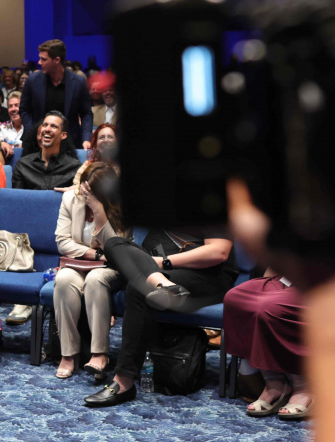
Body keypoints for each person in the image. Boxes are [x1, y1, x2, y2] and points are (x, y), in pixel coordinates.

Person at [84, 228, 238, 407]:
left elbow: (219, 252)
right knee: (113, 243)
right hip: (166, 273)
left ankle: (123, 382)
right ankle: (162, 284)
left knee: (138, 288)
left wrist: (162, 262)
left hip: (209, 275)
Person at [51, 161, 128, 377]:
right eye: (85, 188)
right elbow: (63, 242)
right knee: (64, 280)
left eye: (93, 191)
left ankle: (99, 353)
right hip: (81, 263)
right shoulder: (71, 199)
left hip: (112, 267)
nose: (86, 195)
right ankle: (68, 354)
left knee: (95, 279)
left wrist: (99, 210)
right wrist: (95, 254)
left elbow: (115, 248)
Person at [222, 269, 309, 419]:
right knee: (234, 298)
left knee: (270, 307)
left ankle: (302, 388)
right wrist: (265, 287)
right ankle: (274, 384)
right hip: (285, 279)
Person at [20, 39, 93, 153]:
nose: (39, 62)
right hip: (37, 143)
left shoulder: (78, 82)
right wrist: (34, 131)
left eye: (44, 59)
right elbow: (24, 109)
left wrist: (86, 138)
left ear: (57, 60)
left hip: (69, 143)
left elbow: (86, 113)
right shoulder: (32, 80)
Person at [12, 112, 81, 192]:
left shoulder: (74, 168)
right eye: (45, 125)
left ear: (63, 135)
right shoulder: (22, 165)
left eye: (54, 126)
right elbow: (17, 198)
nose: (47, 129)